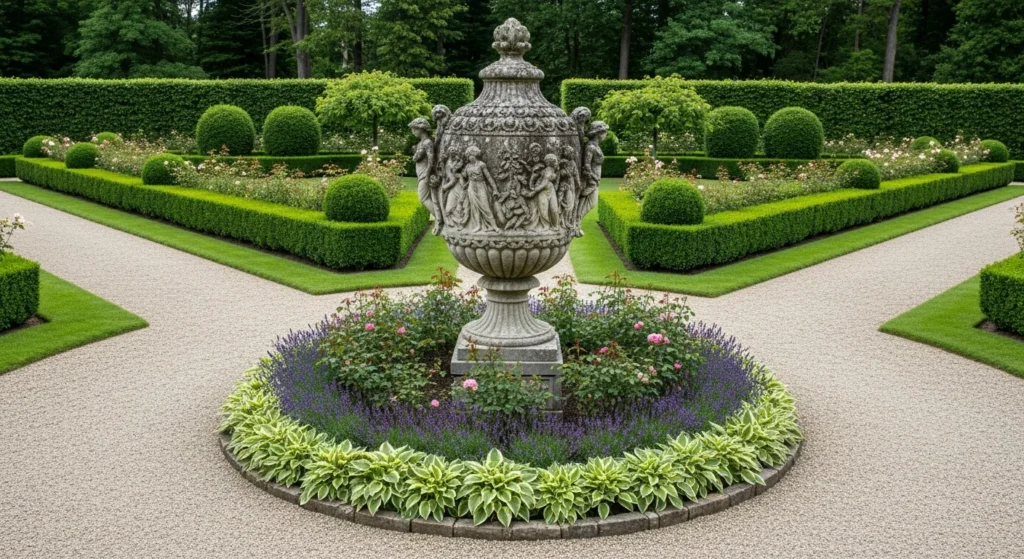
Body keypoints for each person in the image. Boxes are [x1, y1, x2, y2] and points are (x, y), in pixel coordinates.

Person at [409, 118, 442, 233]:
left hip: (425, 173)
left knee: (423, 198)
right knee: (426, 198)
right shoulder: (421, 143)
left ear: (421, 129)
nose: (413, 131)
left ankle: (439, 219)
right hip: (421, 173)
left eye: (414, 129)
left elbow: (431, 159)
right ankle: (439, 219)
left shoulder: (427, 142)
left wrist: (428, 175)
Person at [577, 121, 608, 235]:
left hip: (594, 180)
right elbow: (586, 166)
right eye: (604, 132)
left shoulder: (595, 146)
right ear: (598, 133)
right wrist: (594, 179)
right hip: (591, 180)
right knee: (589, 202)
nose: (606, 135)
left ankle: (576, 223)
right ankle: (576, 223)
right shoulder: (590, 146)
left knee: (588, 203)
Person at [460, 145, 499, 232]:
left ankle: (494, 225)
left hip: (481, 185)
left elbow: (489, 177)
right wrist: (458, 168)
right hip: (471, 187)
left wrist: (495, 189)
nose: (470, 157)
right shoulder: (467, 166)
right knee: (475, 207)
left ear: (475, 155)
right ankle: (478, 225)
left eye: (471, 155)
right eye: (468, 156)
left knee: (485, 206)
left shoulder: (481, 164)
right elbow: (463, 176)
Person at [526, 153, 560, 229]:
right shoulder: (547, 171)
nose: (556, 163)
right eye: (554, 161)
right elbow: (543, 184)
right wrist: (533, 192)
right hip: (542, 191)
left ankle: (556, 226)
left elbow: (555, 180)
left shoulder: (553, 170)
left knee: (554, 209)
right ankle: (546, 226)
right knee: (543, 210)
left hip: (551, 190)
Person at [558, 145, 580, 234]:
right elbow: (561, 174)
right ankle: (563, 222)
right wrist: (565, 170)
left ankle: (567, 221)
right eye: (571, 153)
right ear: (566, 153)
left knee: (571, 205)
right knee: (566, 205)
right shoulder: (562, 163)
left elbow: (576, 174)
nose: (572, 154)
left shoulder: (572, 163)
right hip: (565, 186)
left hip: (572, 185)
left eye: (572, 153)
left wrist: (578, 183)